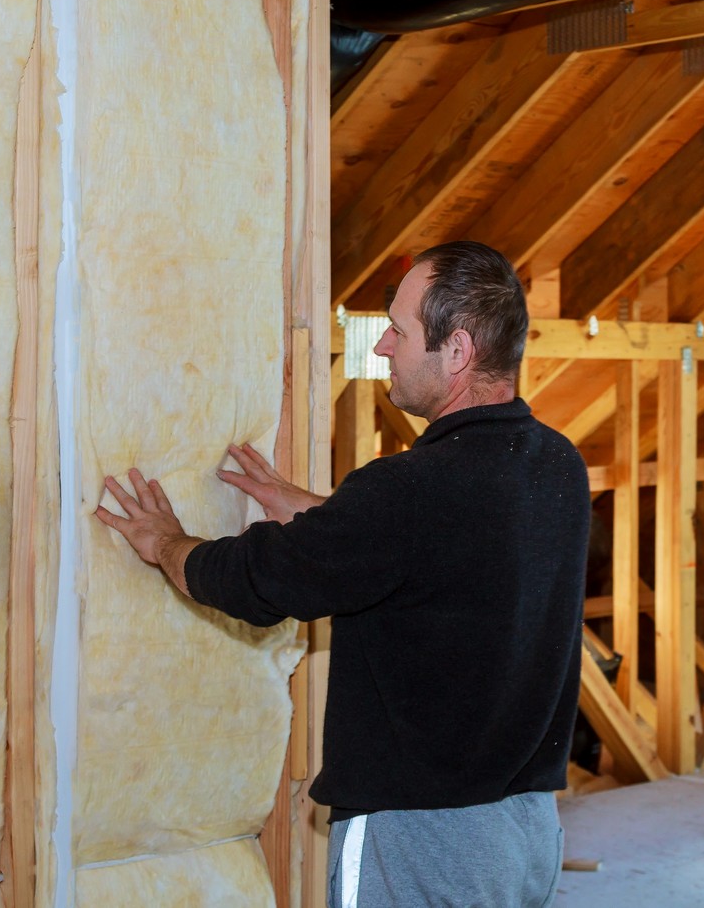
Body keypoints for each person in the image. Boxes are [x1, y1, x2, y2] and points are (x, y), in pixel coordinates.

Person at [96, 240, 591, 908]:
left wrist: (165, 542)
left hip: (423, 845)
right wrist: (316, 511)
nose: (383, 345)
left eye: (399, 328)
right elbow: (442, 550)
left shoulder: (407, 492)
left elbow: (254, 582)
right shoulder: (555, 466)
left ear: (458, 351)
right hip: (525, 833)